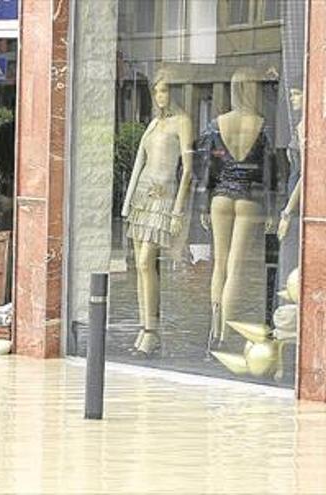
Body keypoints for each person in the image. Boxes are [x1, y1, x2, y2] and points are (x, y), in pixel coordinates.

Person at [199, 67, 276, 349]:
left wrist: (203, 204)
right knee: (235, 267)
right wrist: (271, 208)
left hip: (220, 196)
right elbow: (268, 172)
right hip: (248, 197)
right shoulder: (261, 124)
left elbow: (208, 166)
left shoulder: (217, 123)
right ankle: (225, 335)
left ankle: (213, 329)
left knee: (218, 264)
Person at [120, 72, 193, 357]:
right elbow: (139, 163)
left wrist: (177, 208)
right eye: (157, 91)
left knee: (145, 260)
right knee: (139, 266)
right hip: (141, 197)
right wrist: (127, 204)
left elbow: (187, 169)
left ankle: (152, 329)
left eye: (165, 91)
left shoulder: (182, 122)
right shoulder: (153, 124)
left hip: (164, 198)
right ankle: (145, 328)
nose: (160, 96)